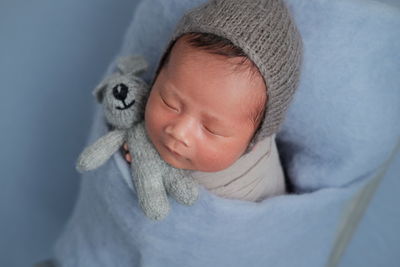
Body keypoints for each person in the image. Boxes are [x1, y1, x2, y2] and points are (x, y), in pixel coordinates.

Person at [121, 0, 303, 202]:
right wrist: (143, 151)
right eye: (169, 102)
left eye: (211, 128)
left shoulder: (247, 190)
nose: (179, 132)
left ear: (253, 141)